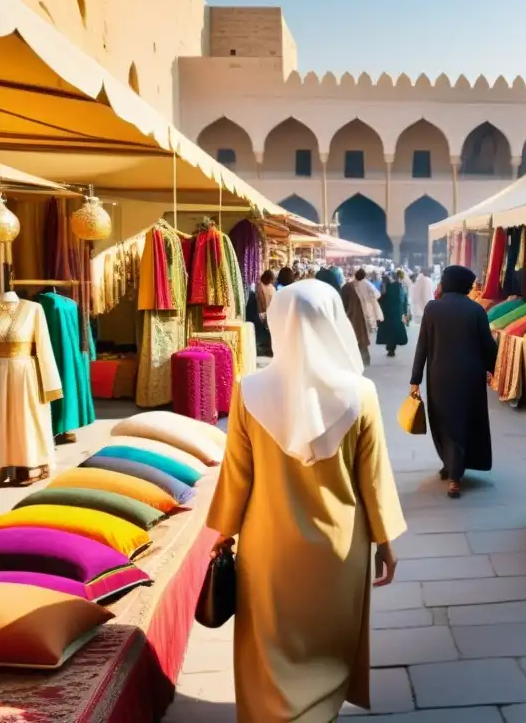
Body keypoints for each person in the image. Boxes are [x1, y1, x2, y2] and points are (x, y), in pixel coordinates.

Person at [205, 280, 407, 722]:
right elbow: (373, 481)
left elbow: (237, 475)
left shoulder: (249, 391)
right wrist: (386, 543)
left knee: (271, 649)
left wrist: (224, 533)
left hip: (269, 546)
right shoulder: (361, 394)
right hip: (340, 549)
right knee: (326, 646)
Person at [410, 265, 497, 498]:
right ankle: (453, 465)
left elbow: (423, 346)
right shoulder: (476, 310)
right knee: (464, 420)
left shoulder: (433, 308)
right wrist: (492, 369)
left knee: (445, 421)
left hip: (440, 375)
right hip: (470, 375)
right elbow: (488, 346)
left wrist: (415, 379)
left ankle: (454, 475)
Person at [376, 274, 409, 358]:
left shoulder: (387, 288)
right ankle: (391, 348)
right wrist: (405, 314)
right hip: (396, 313)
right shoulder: (399, 287)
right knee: (394, 331)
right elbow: (404, 300)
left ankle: (390, 348)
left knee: (389, 332)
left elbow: (380, 300)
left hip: (388, 314)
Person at [352, 268, 383, 338]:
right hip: (368, 302)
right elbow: (376, 293)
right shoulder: (367, 283)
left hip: (359, 303)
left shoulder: (355, 283)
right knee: (370, 316)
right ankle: (371, 328)